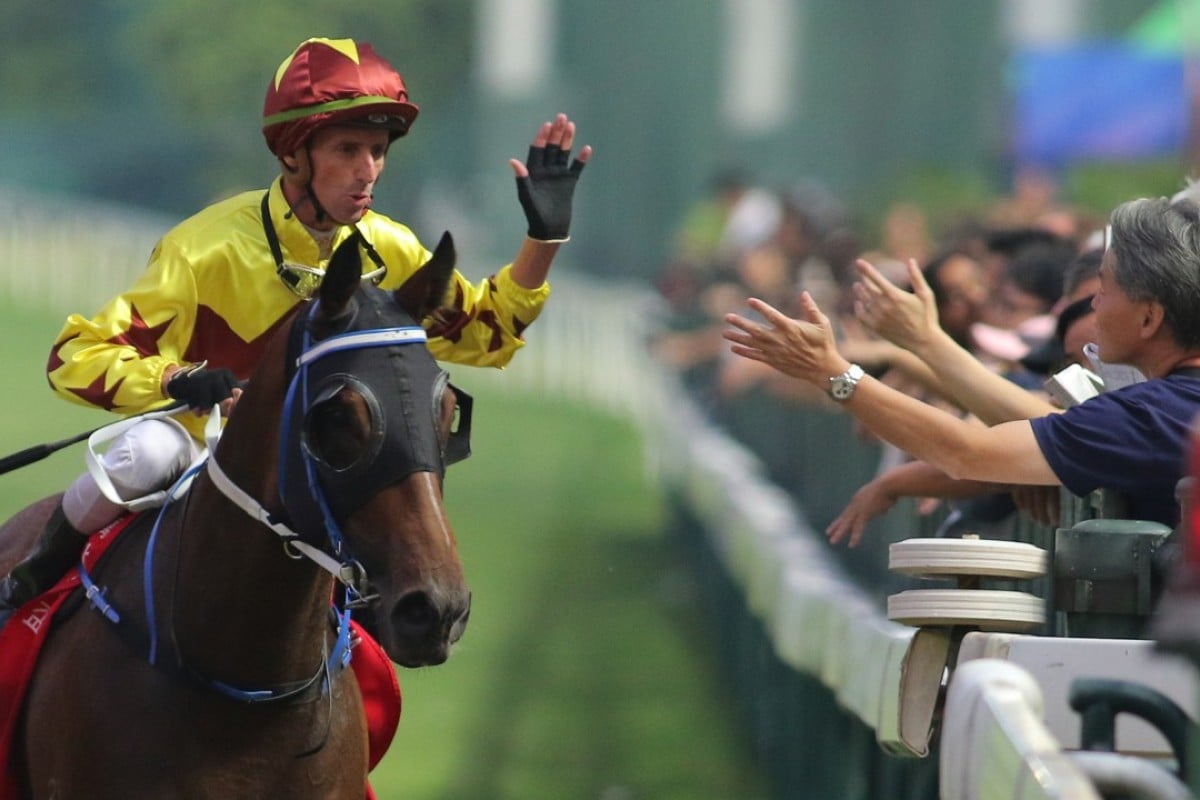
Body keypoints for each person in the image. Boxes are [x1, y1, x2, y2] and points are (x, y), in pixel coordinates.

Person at [0, 37, 591, 618]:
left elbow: (483, 333)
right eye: (348, 150)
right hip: (204, 454)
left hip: (321, 461)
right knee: (143, 452)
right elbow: (75, 356)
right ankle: (31, 578)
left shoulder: (391, 247)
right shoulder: (205, 249)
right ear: (293, 153)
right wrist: (177, 378)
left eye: (379, 151)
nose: (368, 172)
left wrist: (543, 238)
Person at [723, 196, 1200, 534]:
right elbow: (1041, 421)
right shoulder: (1160, 409)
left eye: (1105, 288)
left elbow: (968, 451)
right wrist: (923, 342)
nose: (1093, 303)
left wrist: (833, 374)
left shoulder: (1154, 414)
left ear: (1150, 317)